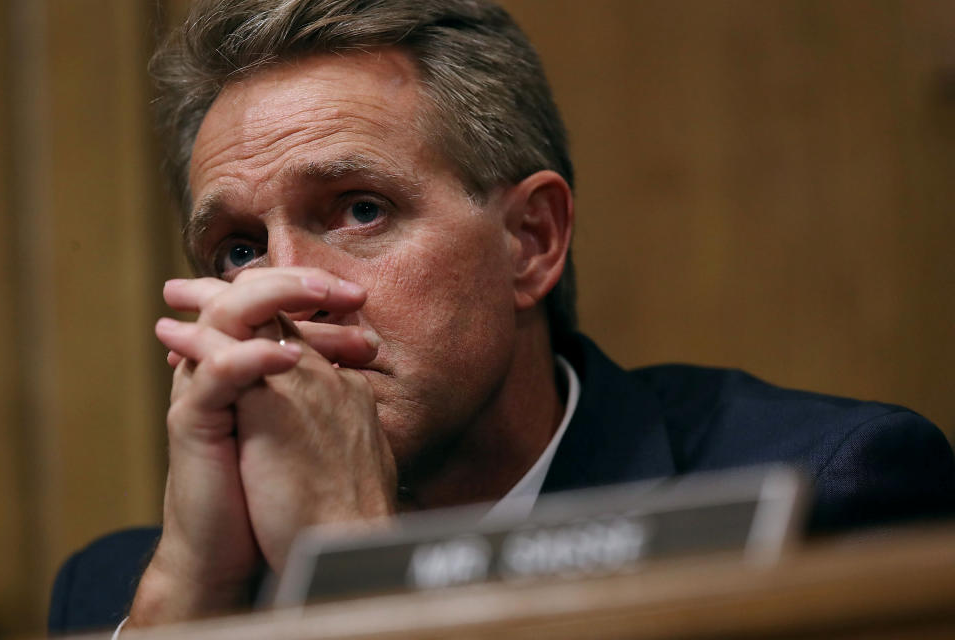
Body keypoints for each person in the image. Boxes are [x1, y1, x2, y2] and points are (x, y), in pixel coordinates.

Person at [48, 0, 955, 635]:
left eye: (359, 209)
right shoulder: (122, 594)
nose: (282, 292)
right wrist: (185, 599)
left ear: (532, 240)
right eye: (238, 250)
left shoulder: (825, 499)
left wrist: (355, 571)